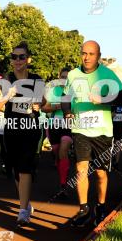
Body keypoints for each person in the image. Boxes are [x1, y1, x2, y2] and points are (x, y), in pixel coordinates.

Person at [62, 40, 122, 227]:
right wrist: (67, 112)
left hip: (102, 132)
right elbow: (65, 97)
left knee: (100, 173)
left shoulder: (107, 74)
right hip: (80, 129)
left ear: (98, 56)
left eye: (91, 54)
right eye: (84, 53)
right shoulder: (73, 75)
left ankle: (100, 206)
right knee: (81, 169)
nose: (87, 57)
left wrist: (103, 99)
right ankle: (84, 209)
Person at [0, 43, 45, 225]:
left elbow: (43, 102)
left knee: (25, 167)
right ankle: (26, 203)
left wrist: (39, 105)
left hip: (30, 129)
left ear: (28, 59)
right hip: (12, 129)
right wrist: (8, 96)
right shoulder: (5, 80)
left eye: (22, 57)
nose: (18, 60)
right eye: (14, 57)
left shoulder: (36, 79)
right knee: (15, 169)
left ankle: (22, 211)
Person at [43, 68, 73, 199]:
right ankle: (59, 163)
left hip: (68, 125)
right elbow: (44, 107)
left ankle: (63, 184)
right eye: (63, 76)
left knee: (63, 149)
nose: (64, 79)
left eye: (67, 77)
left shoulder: (75, 92)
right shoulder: (53, 91)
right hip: (54, 125)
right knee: (57, 152)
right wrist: (58, 106)